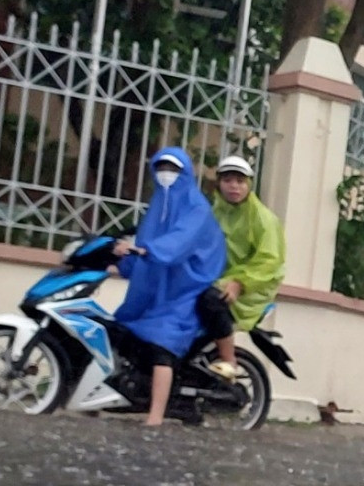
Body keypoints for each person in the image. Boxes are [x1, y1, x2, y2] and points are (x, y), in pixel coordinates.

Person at [112, 148, 227, 426]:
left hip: (186, 287)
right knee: (121, 330)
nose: (167, 173)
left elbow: (179, 243)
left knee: (162, 342)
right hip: (158, 286)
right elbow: (144, 240)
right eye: (161, 167)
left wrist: (143, 250)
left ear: (185, 172)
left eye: (173, 169)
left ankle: (155, 416)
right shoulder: (158, 204)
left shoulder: (197, 207)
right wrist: (122, 262)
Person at [199, 154, 286, 381]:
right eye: (228, 180)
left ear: (249, 184)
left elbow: (270, 260)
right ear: (219, 183)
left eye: (240, 181)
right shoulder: (215, 212)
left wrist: (240, 283)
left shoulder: (263, 218)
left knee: (211, 299)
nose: (234, 186)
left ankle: (229, 360)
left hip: (253, 286)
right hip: (221, 277)